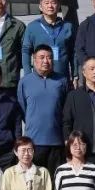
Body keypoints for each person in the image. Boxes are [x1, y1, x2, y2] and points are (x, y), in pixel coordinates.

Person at [62, 56, 95, 186]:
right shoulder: (74, 96)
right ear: (83, 72)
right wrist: (69, 150)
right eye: (91, 68)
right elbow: (66, 123)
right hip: (81, 154)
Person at [18, 45, 69, 173]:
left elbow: (66, 109)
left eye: (49, 57)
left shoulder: (62, 81)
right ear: (34, 60)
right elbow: (22, 109)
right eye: (42, 57)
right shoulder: (25, 82)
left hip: (56, 141)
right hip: (34, 142)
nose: (46, 61)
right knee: (35, 179)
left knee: (55, 180)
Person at [23, 0, 76, 83]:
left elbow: (74, 53)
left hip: (62, 78)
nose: (50, 6)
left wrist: (75, 75)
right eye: (46, 3)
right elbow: (26, 51)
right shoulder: (32, 27)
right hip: (39, 79)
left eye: (53, 3)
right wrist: (27, 75)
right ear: (40, 7)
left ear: (58, 6)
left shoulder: (68, 27)